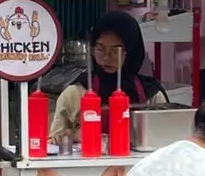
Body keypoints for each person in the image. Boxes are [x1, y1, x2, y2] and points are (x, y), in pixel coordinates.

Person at [48, 10, 167, 144]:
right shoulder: (75, 93)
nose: (106, 58)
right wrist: (73, 136)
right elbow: (54, 142)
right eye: (100, 49)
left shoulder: (152, 95)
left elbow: (166, 139)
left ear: (132, 51)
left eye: (115, 51)